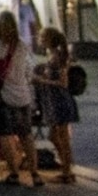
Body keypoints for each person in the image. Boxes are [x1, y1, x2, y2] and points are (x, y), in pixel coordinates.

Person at [0, 14, 40, 189]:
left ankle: (14, 172)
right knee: (26, 136)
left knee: (6, 135)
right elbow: (30, 70)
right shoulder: (22, 45)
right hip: (22, 95)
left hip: (2, 95)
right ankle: (35, 173)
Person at [35, 28, 81, 185]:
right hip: (54, 101)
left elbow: (63, 83)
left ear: (49, 40)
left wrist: (41, 81)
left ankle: (67, 171)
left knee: (62, 137)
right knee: (54, 136)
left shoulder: (57, 57)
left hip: (60, 101)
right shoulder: (52, 56)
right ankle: (66, 168)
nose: (39, 39)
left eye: (42, 36)